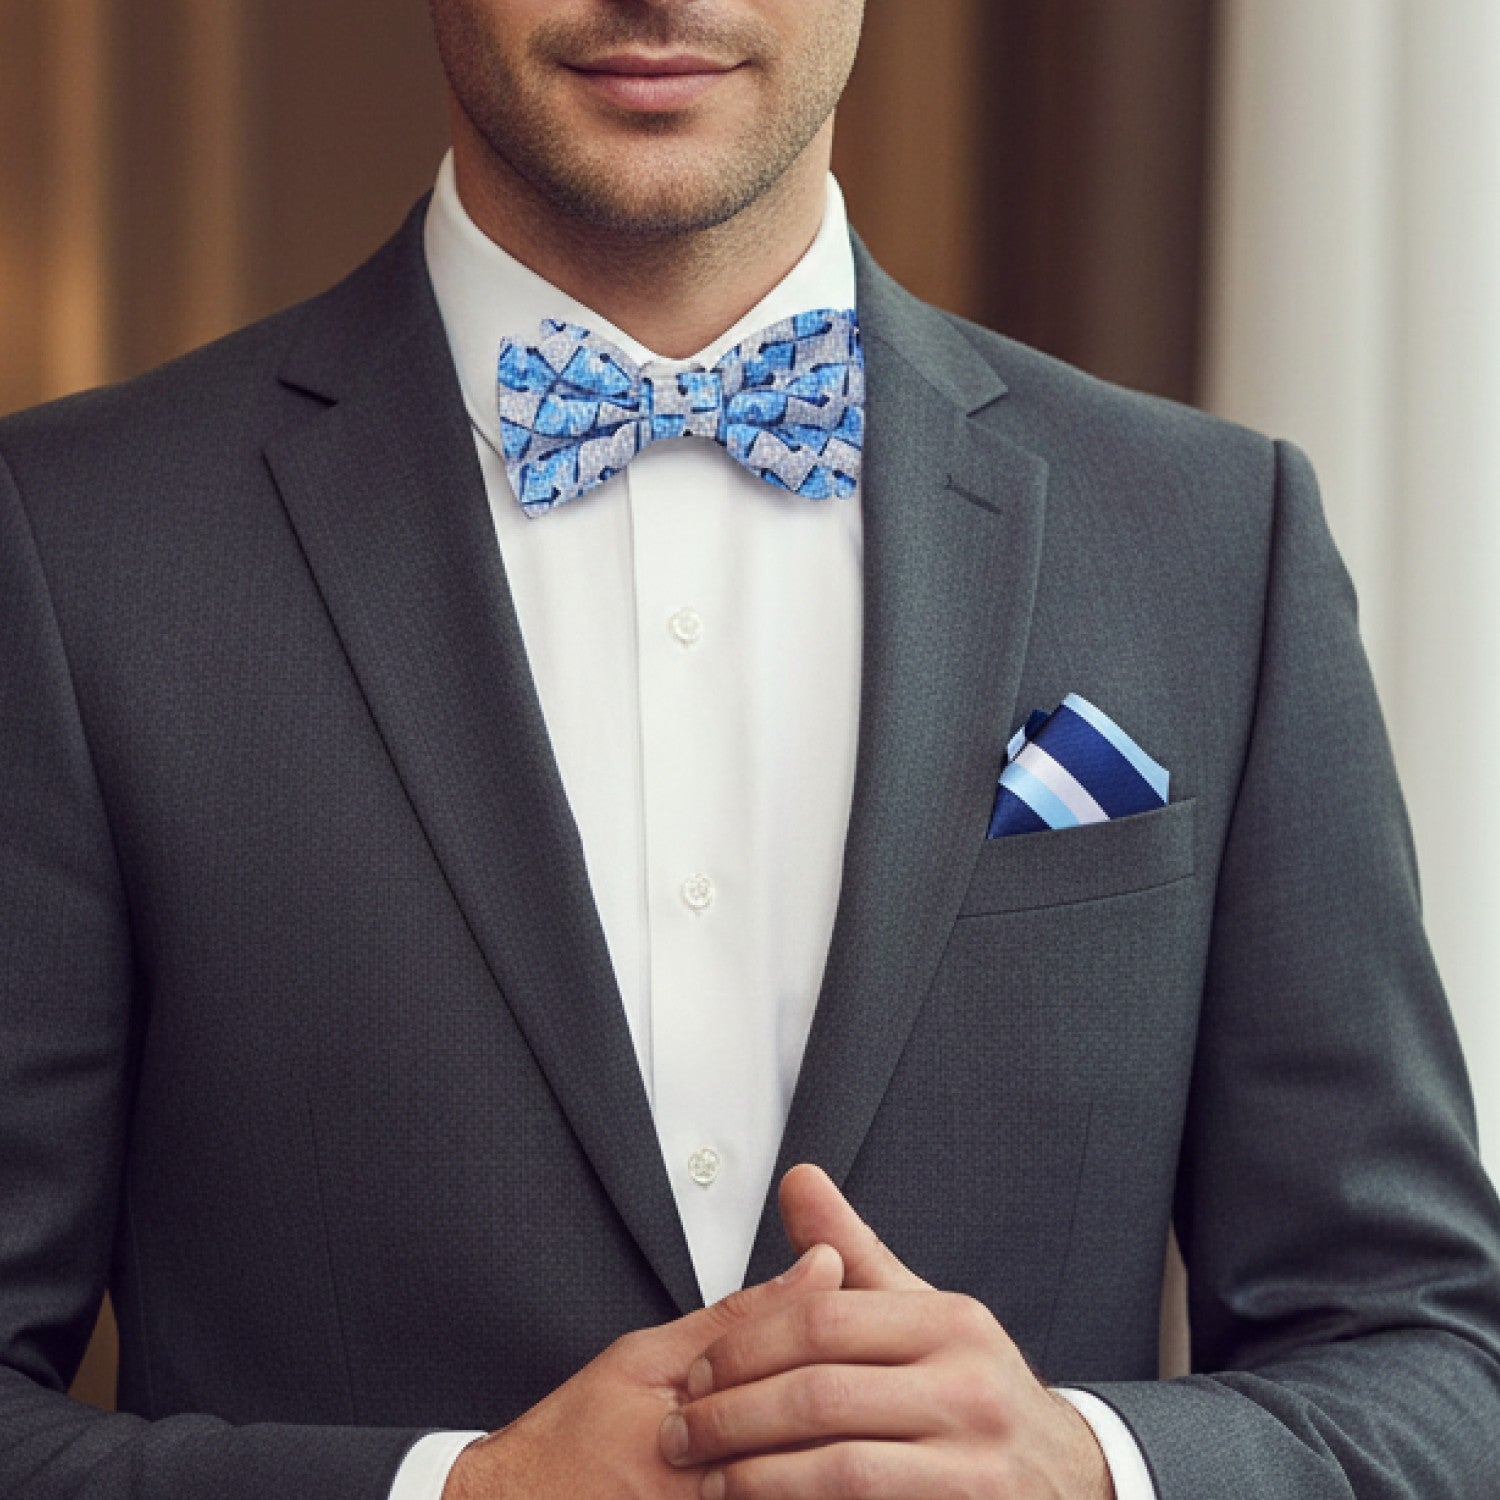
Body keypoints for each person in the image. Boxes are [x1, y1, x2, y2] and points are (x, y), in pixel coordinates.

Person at [2, 0, 1498, 1496]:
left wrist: (1091, 1467)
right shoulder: (76, 546)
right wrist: (455, 1492)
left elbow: (1432, 1367)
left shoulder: (1215, 541)